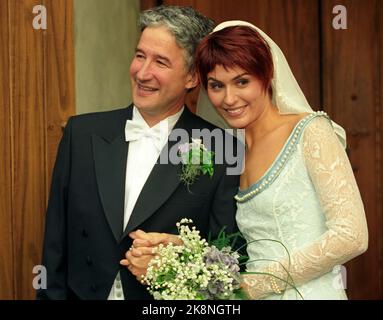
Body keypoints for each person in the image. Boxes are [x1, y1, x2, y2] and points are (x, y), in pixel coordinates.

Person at [36, 7, 242, 300]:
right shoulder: (80, 134)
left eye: (160, 62)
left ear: (192, 77)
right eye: (140, 55)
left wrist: (175, 260)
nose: (143, 72)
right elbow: (54, 247)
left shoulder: (221, 148)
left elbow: (229, 258)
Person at [192, 20, 369, 299]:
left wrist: (255, 285)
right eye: (216, 85)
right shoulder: (232, 152)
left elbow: (352, 236)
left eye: (242, 81)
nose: (229, 98)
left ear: (267, 74)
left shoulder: (310, 131)